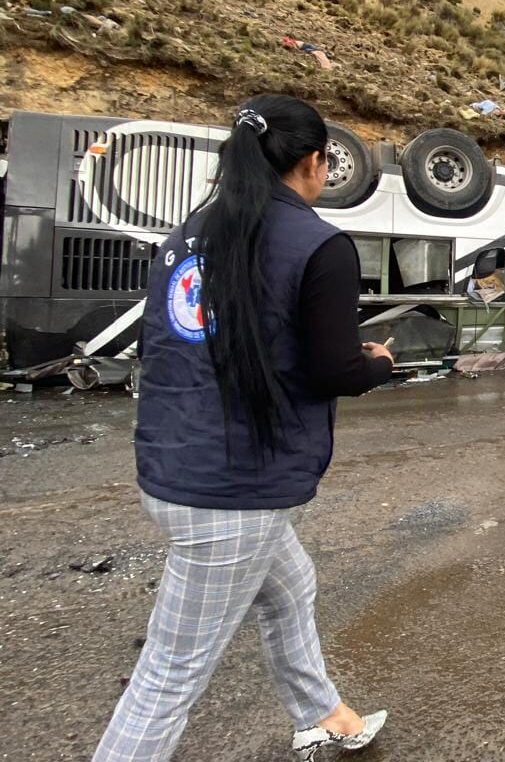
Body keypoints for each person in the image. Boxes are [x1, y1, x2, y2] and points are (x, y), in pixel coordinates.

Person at [94, 96, 393, 762]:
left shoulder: (191, 233)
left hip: (172, 467)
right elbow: (333, 370)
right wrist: (377, 362)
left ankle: (326, 716)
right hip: (235, 491)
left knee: (291, 587)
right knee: (168, 677)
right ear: (315, 163)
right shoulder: (319, 243)